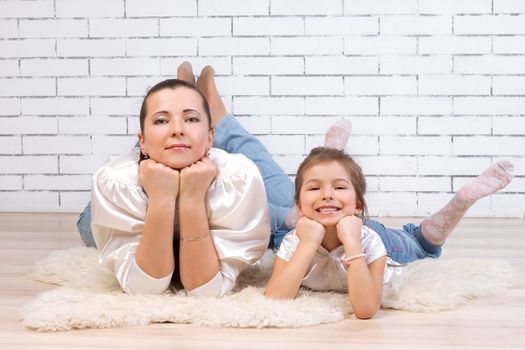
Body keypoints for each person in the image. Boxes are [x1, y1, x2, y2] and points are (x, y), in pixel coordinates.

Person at [90, 65, 283, 297]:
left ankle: (214, 113)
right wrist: (162, 198)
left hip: (222, 185)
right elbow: (144, 288)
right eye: (162, 121)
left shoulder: (237, 178)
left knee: (294, 216)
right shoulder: (117, 181)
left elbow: (206, 290)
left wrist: (192, 198)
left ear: (212, 137)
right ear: (140, 141)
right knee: (86, 224)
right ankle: (188, 110)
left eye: (190, 118)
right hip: (151, 166)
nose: (178, 129)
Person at [263, 146, 514, 319]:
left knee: (418, 245)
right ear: (298, 205)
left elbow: (365, 309)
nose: (327, 194)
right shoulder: (293, 241)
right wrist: (308, 245)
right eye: (315, 187)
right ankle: (331, 160)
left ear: (358, 205)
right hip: (322, 227)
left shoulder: (370, 240)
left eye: (338, 186)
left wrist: (352, 244)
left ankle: (460, 201)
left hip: (371, 236)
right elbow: (274, 298)